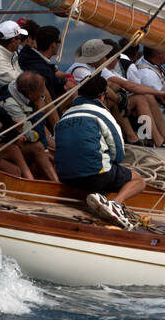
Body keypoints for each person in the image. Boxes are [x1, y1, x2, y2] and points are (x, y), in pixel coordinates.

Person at [54, 74, 144, 229]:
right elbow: (118, 151)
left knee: (99, 169)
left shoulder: (64, 117)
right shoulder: (101, 114)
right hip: (95, 175)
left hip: (65, 176)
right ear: (102, 96)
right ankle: (115, 204)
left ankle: (100, 198)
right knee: (138, 181)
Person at [68, 38, 165, 144]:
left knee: (145, 97)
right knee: (122, 98)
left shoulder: (98, 68)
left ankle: (164, 140)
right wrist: (119, 99)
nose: (106, 57)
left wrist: (159, 93)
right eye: (104, 55)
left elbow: (127, 84)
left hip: (101, 103)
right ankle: (150, 140)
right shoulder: (81, 70)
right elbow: (102, 89)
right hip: (86, 107)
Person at [0, 70, 59, 181]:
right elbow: (32, 136)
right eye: (40, 94)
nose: (42, 97)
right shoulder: (11, 104)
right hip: (3, 145)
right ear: (30, 94)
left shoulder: (22, 92)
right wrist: (40, 113)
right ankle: (55, 184)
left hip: (20, 139)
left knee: (53, 151)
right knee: (38, 148)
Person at [125, 46, 165, 148]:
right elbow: (131, 87)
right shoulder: (147, 73)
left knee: (147, 97)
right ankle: (159, 141)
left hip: (152, 102)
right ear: (160, 54)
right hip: (154, 107)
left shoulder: (151, 64)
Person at [0, 20, 28, 91]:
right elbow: (16, 80)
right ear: (13, 41)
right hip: (1, 99)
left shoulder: (11, 53)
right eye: (20, 38)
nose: (20, 41)